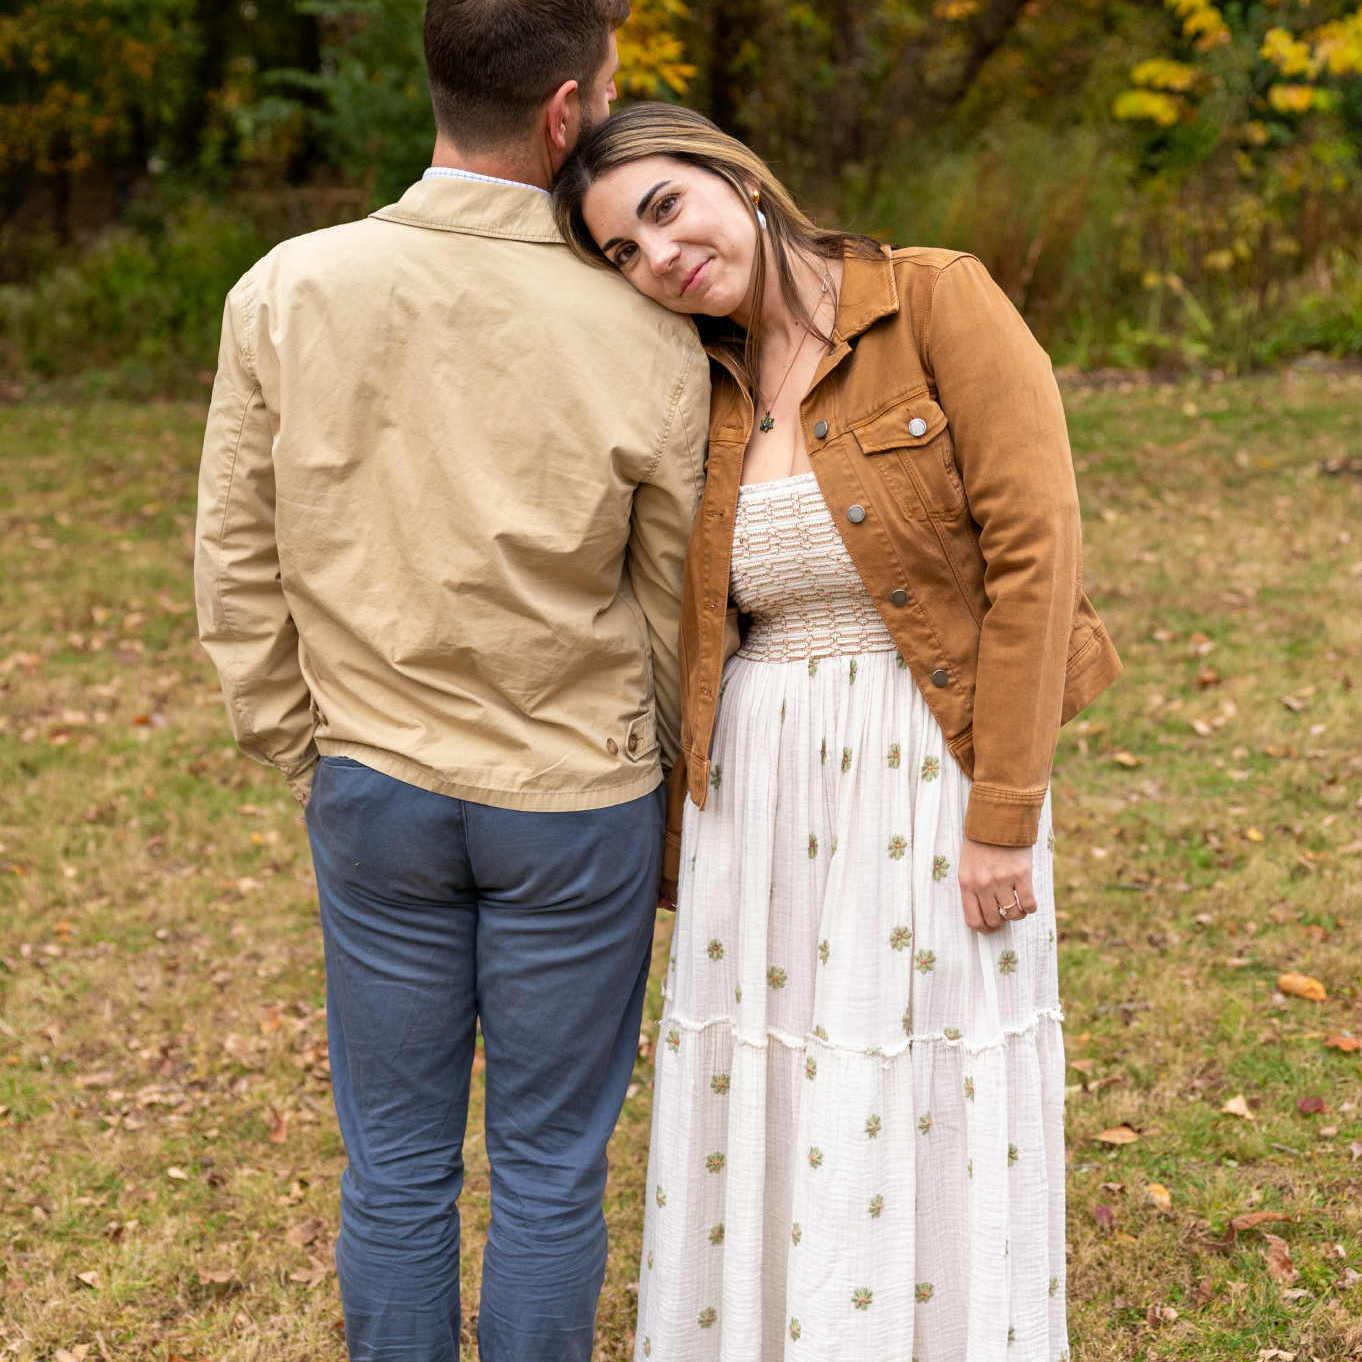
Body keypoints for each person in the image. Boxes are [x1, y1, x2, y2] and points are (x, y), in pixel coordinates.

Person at [552, 103, 1123, 1362]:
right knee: (770, 1076)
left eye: (665, 209)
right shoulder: (695, 377)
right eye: (623, 251)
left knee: (920, 1063)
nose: (660, 257)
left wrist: (1004, 813)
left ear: (736, 177)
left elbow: (1036, 556)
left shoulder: (934, 301)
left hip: (924, 756)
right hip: (759, 781)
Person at [194, 7, 709, 1358]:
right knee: (549, 1170)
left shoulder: (287, 290)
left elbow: (235, 559)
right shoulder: (642, 325)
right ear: (563, 113)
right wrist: (667, 786)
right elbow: (676, 603)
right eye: (608, 93)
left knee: (396, 1165)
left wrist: (302, 743)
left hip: (377, 781)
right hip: (577, 800)